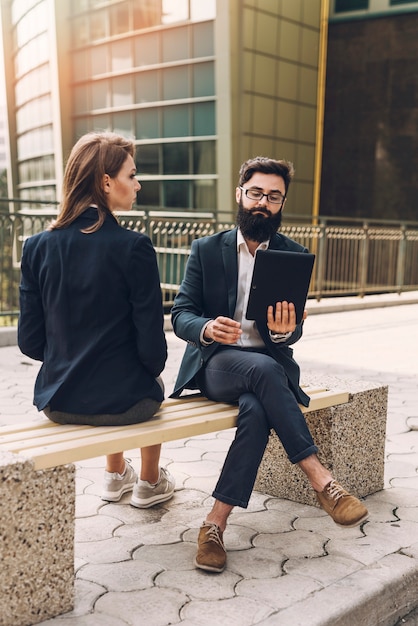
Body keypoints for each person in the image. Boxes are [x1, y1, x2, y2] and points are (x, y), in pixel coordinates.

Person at [170, 156, 368, 573]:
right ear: (240, 194)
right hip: (216, 365)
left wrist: (282, 331)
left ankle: (214, 524)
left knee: (258, 408)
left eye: (273, 197)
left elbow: (291, 333)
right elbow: (181, 313)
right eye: (256, 193)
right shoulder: (206, 249)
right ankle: (321, 480)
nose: (263, 202)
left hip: (266, 370)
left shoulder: (294, 256)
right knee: (263, 372)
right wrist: (207, 328)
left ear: (282, 204)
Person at [18, 131, 175, 508]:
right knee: (150, 376)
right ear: (107, 182)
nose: (137, 185)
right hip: (126, 405)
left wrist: (70, 358)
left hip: (59, 401)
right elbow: (153, 348)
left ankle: (115, 475)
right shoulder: (134, 247)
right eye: (132, 175)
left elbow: (30, 342)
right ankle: (150, 482)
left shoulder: (37, 246)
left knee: (120, 368)